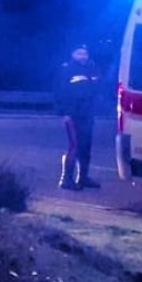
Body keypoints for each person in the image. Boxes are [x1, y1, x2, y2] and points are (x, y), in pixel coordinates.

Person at [53, 43, 101, 190]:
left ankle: (83, 177)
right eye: (79, 53)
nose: (83, 56)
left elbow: (96, 90)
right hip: (72, 114)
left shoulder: (91, 68)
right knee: (74, 145)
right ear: (73, 54)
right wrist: (64, 113)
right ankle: (66, 179)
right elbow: (60, 92)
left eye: (84, 53)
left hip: (87, 113)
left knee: (86, 146)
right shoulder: (66, 69)